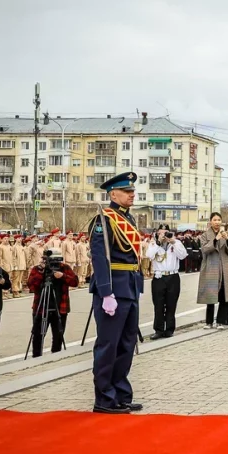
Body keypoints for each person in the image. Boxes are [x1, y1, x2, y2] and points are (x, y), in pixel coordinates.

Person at [86, 171, 145, 414]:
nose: (132, 195)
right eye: (127, 192)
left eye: (132, 191)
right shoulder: (103, 220)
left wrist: (137, 285)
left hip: (129, 286)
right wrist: (106, 292)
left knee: (126, 344)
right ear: (113, 194)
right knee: (108, 345)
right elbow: (100, 258)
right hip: (113, 289)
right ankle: (104, 398)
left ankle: (121, 393)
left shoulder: (128, 220)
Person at [26, 251, 79, 357]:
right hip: (41, 307)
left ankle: (56, 355)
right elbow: (31, 286)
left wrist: (63, 276)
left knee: (58, 334)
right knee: (37, 335)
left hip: (60, 307)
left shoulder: (65, 268)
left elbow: (75, 282)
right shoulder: (38, 269)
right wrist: (41, 272)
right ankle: (36, 357)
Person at [147, 224, 187, 339]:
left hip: (173, 276)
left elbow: (183, 255)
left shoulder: (176, 243)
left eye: (166, 232)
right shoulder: (154, 243)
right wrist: (158, 242)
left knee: (171, 304)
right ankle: (158, 330)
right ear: (157, 233)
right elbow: (148, 255)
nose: (163, 235)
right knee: (158, 305)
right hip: (159, 276)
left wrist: (173, 242)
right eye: (161, 233)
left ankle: (169, 329)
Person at [197, 212, 228, 328]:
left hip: (224, 267)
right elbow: (204, 249)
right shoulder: (204, 235)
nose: (217, 222)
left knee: (224, 295)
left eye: (219, 220)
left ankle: (220, 321)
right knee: (211, 296)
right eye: (215, 220)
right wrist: (215, 239)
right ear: (210, 222)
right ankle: (209, 322)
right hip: (211, 267)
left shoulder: (226, 234)